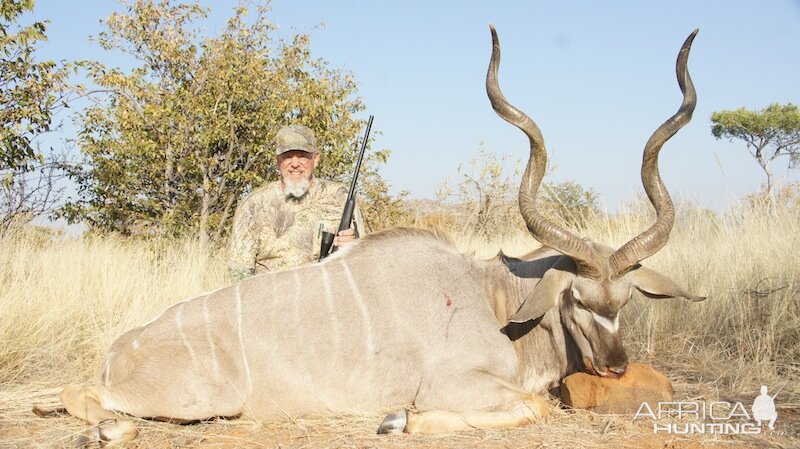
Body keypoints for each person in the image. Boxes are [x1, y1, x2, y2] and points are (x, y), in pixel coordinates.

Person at [228, 124, 366, 281]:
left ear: (316, 159)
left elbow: (364, 262)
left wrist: (354, 245)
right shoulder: (253, 204)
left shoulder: (341, 197)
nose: (294, 163)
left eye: (302, 156)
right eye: (287, 156)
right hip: (270, 298)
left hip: (326, 294)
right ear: (277, 160)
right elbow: (239, 273)